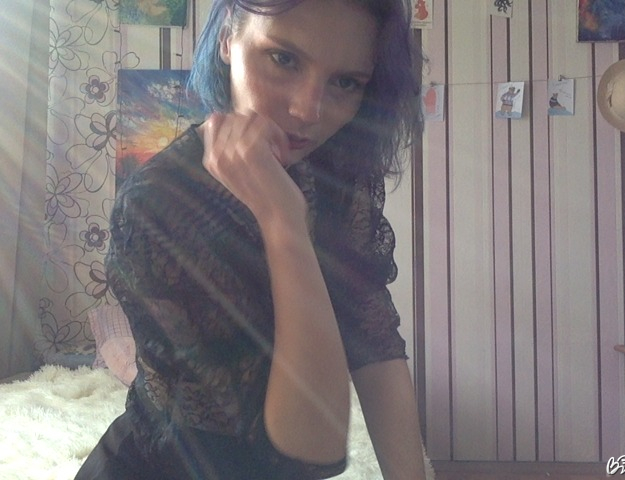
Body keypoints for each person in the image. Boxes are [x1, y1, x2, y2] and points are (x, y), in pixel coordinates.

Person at [76, 0, 426, 478]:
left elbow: (375, 342)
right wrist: (283, 222)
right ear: (227, 38)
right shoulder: (156, 205)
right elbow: (311, 447)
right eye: (283, 59)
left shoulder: (337, 176)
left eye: (345, 82)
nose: (307, 110)